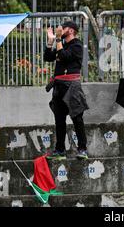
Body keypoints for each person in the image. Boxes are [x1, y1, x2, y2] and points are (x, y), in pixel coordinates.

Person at [44, 20, 89, 160]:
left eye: (63, 28)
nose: (60, 30)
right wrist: (51, 41)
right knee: (59, 119)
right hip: (59, 86)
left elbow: (63, 56)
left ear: (70, 30)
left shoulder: (77, 45)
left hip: (72, 87)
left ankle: (82, 149)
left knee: (77, 118)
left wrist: (57, 39)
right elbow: (48, 57)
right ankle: (60, 150)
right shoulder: (60, 44)